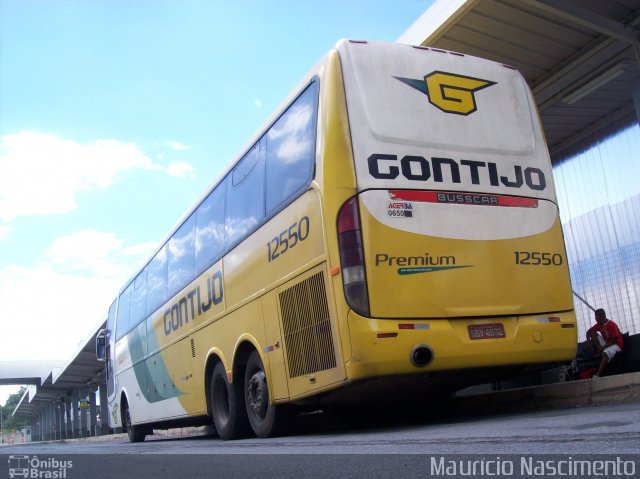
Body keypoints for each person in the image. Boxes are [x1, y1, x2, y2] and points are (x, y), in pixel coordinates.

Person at [586, 308, 624, 378]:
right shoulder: (599, 324)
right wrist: (588, 342)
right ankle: (600, 350)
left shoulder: (611, 324)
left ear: (601, 316)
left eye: (596, 316)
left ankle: (597, 374)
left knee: (606, 353)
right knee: (593, 333)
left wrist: (603, 348)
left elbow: (615, 340)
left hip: (616, 345)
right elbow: (588, 332)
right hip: (607, 344)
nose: (595, 318)